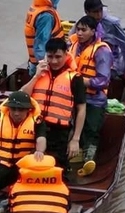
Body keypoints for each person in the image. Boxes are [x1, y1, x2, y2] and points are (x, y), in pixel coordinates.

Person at [19, 37, 87, 169]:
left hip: (59, 131)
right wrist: (36, 76)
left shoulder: (75, 78)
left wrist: (75, 139)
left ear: (66, 55)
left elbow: (81, 109)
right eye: (50, 57)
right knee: (27, 165)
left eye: (58, 56)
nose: (54, 61)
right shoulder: (39, 72)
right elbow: (22, 96)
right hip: (34, 127)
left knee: (57, 167)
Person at [68, 15, 112, 176]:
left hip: (94, 99)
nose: (79, 33)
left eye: (83, 30)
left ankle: (89, 159)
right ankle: (70, 154)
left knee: (91, 129)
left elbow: (103, 81)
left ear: (93, 31)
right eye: (78, 29)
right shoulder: (72, 46)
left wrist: (80, 81)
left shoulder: (102, 51)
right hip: (73, 96)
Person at [84, 0, 125, 81]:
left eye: (100, 10)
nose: (99, 14)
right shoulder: (83, 24)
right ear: (87, 12)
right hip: (91, 60)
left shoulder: (112, 24)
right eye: (95, 12)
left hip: (112, 63)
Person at [24, 0, 65, 77]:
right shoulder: (46, 16)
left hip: (35, 63)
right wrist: (44, 66)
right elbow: (40, 45)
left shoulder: (37, 7)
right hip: (45, 66)